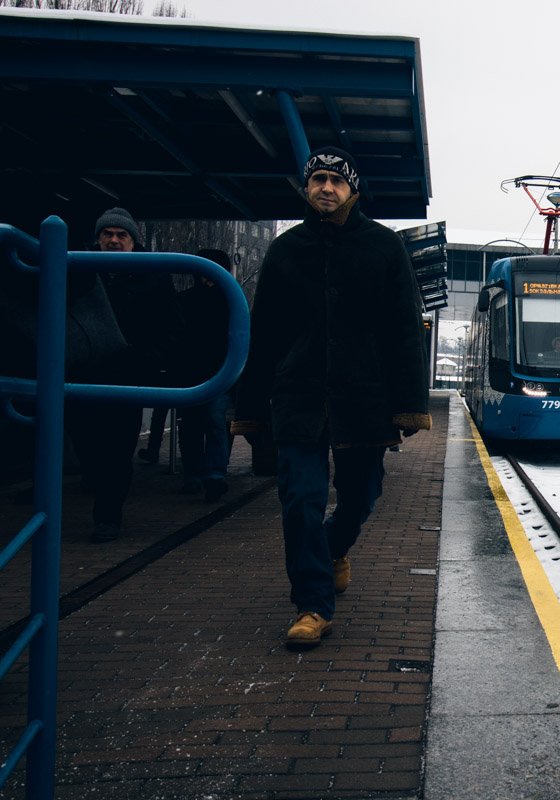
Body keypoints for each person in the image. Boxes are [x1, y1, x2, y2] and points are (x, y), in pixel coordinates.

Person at [232, 146, 431, 649]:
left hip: (364, 397)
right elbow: (266, 332)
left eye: (335, 180)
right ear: (306, 188)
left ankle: (334, 547)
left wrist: (409, 403)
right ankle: (313, 606)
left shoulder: (384, 248)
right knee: (300, 498)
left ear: (352, 188)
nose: (325, 187)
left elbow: (404, 331)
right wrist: (251, 407)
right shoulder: (286, 250)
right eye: (317, 179)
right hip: (297, 395)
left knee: (361, 495)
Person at [70, 207, 183, 543]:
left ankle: (108, 516)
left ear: (133, 241)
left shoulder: (152, 274)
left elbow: (171, 322)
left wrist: (153, 360)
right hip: (84, 371)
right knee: (84, 438)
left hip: (127, 373)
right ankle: (95, 478)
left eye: (122, 235)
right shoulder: (79, 269)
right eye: (108, 235)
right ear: (98, 239)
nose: (114, 241)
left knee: (119, 448)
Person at [177, 248, 235, 502]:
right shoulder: (231, 300)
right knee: (211, 424)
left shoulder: (185, 300)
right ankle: (210, 474)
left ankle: (205, 474)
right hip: (215, 371)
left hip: (201, 371)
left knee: (201, 423)